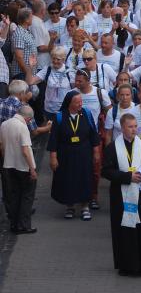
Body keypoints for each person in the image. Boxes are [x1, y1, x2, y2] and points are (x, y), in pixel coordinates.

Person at [102, 112, 141, 277]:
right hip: (120, 196)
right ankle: (126, 265)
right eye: (130, 127)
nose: (134, 130)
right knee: (124, 229)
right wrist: (128, 177)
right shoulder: (112, 147)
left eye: (135, 126)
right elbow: (106, 171)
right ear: (122, 128)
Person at [47, 91, 101, 220]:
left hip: (84, 153)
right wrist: (53, 157)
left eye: (81, 101)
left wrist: (96, 151)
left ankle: (85, 206)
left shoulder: (87, 114)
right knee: (68, 179)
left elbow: (93, 134)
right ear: (69, 103)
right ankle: (69, 206)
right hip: (66, 154)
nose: (80, 104)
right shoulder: (60, 116)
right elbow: (54, 139)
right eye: (77, 102)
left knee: (85, 178)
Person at [0, 104, 37, 234]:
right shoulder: (22, 127)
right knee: (27, 196)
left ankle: (14, 224)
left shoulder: (4, 124)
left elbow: (1, 146)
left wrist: (6, 158)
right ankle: (24, 225)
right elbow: (25, 151)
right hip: (23, 167)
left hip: (9, 165)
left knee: (15, 196)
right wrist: (32, 169)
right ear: (28, 118)